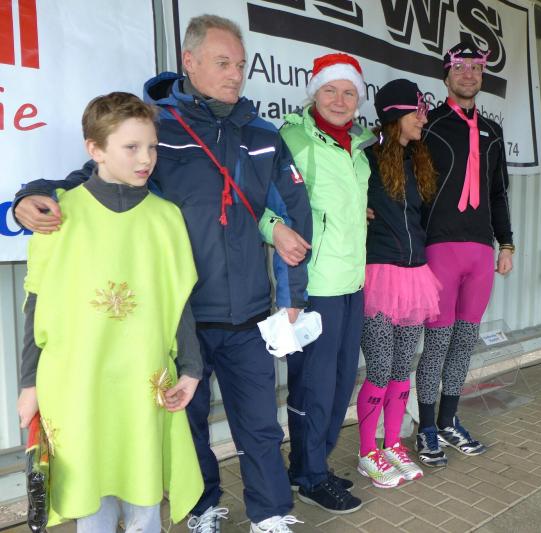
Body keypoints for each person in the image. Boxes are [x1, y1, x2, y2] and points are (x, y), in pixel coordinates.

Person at [13, 15, 311, 533]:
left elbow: (288, 215)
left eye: (241, 64)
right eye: (223, 63)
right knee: (187, 426)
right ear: (189, 62)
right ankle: (202, 509)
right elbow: (90, 180)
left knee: (261, 425)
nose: (235, 74)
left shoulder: (262, 134)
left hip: (247, 310)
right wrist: (27, 197)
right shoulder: (160, 130)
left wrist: (291, 294)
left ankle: (269, 513)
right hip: (179, 316)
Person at [16, 92, 203, 532]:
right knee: (91, 500)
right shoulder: (57, 215)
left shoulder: (167, 218)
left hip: (143, 379)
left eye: (152, 146)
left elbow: (179, 300)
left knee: (144, 495)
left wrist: (191, 368)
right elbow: (36, 303)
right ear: (95, 149)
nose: (146, 159)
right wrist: (29, 383)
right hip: (78, 381)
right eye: (131, 147)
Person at [268, 52, 374, 513]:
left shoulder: (358, 146)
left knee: (340, 381)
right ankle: (310, 475)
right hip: (315, 285)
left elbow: (333, 204)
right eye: (330, 90)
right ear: (314, 93)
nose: (339, 100)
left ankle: (311, 465)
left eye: (349, 92)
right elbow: (267, 206)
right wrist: (278, 236)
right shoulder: (294, 139)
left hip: (352, 281)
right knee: (314, 385)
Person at [414, 43, 514, 467]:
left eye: (475, 67)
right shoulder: (430, 125)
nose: (468, 74)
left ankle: (448, 419)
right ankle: (426, 427)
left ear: (482, 75)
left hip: (480, 251)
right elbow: (413, 189)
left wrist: (506, 243)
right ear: (446, 75)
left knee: (464, 343)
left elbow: (499, 193)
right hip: (440, 248)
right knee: (436, 344)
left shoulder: (493, 130)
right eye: (460, 67)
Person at [355, 79, 440, 488]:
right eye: (416, 112)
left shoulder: (417, 159)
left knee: (402, 366)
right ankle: (367, 452)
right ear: (395, 116)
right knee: (380, 367)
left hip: (415, 275)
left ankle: (392, 444)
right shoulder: (366, 157)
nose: (423, 119)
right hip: (379, 275)